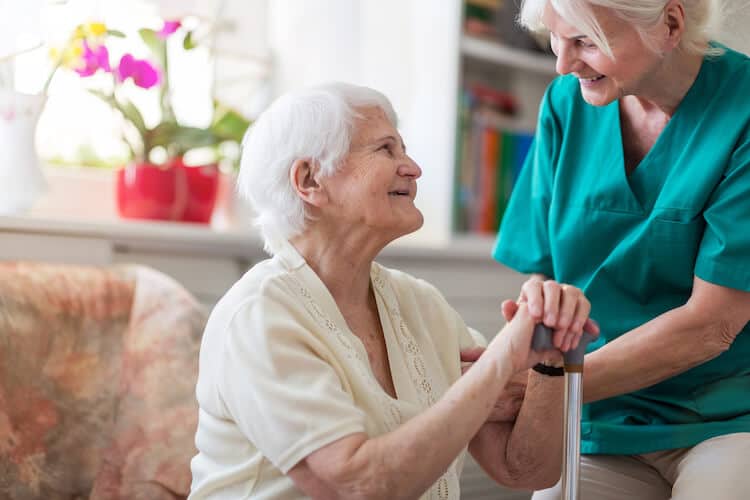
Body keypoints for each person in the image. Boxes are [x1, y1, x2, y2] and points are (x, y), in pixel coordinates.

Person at [188, 82, 598, 499]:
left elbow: (525, 470)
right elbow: (356, 486)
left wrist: (549, 357)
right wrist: (502, 360)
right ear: (310, 179)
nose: (414, 168)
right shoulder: (259, 314)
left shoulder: (420, 304)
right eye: (386, 150)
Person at [493, 0, 750, 498]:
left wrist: (544, 385)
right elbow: (542, 273)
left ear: (670, 25)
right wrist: (540, 315)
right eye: (556, 38)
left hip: (726, 415)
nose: (562, 65)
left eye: (586, 42)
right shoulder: (565, 104)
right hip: (599, 417)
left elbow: (712, 325)